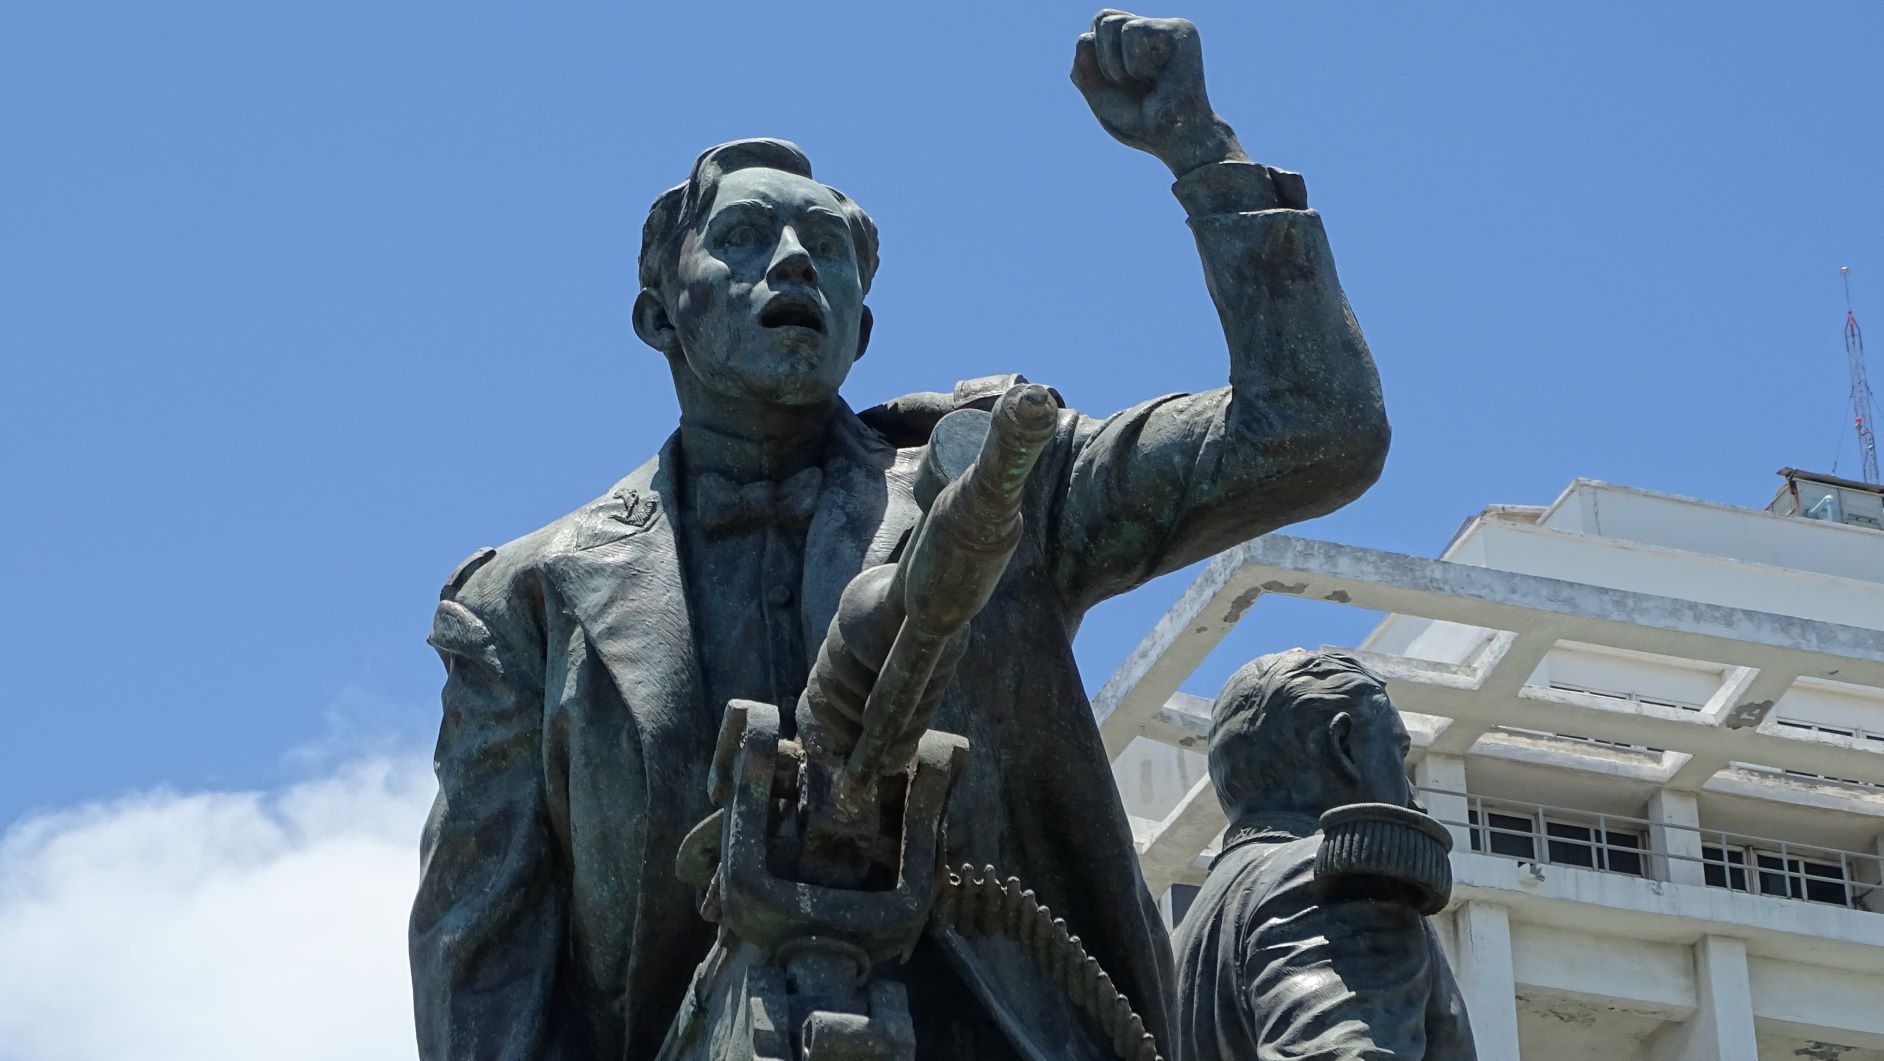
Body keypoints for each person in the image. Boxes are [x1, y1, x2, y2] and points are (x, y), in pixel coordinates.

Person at [410, 11, 1390, 1059]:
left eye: (823, 247)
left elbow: (1316, 434)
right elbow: (484, 968)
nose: (792, 262)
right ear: (661, 316)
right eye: (743, 237)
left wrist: (1200, 151)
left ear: (861, 330)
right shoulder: (527, 603)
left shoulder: (1002, 482)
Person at [1172, 650, 1476, 1060]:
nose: (1414, 800)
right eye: (1397, 754)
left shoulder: (1182, 938)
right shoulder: (1333, 881)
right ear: (1343, 745)